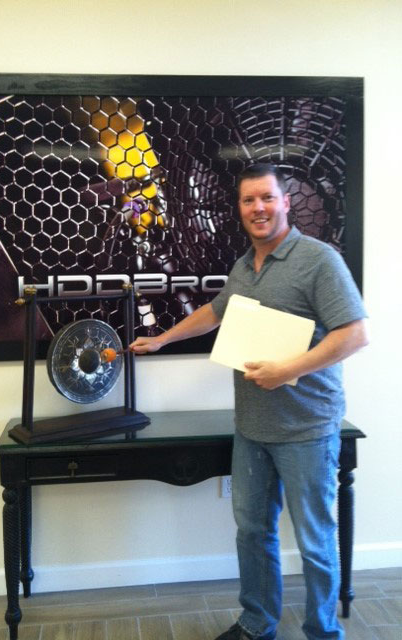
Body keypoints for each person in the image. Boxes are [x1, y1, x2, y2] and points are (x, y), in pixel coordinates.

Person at [130, 163, 368, 640]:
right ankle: (257, 623)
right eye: (248, 200)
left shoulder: (320, 260)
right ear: (239, 209)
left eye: (266, 197)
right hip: (252, 429)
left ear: (286, 202)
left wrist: (288, 369)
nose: (258, 208)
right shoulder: (245, 266)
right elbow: (214, 312)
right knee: (253, 533)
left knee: (315, 542)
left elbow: (355, 334)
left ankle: (323, 632)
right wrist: (162, 339)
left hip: (307, 430)